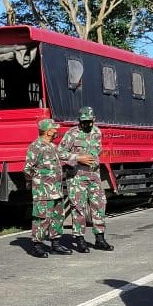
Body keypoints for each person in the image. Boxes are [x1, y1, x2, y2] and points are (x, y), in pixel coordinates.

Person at [58, 106, 113, 253]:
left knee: (99, 205)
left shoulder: (97, 132)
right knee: (78, 207)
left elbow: (98, 150)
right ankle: (79, 239)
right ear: (79, 121)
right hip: (77, 177)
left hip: (94, 175)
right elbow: (60, 152)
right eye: (83, 122)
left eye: (89, 122)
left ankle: (100, 238)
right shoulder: (72, 134)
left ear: (93, 120)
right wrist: (78, 158)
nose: (86, 125)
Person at [24, 118, 72, 258]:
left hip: (56, 190)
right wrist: (39, 181)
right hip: (43, 191)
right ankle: (36, 245)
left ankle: (55, 244)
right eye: (54, 128)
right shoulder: (36, 146)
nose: (56, 130)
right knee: (42, 218)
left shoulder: (52, 146)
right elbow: (28, 169)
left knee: (57, 217)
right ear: (47, 130)